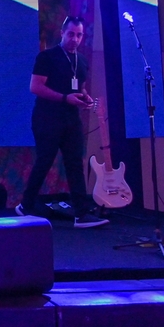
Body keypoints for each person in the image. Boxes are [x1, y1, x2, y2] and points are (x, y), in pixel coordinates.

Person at [16, 16, 109, 228]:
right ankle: (25, 206)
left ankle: (81, 214)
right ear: (62, 33)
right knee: (44, 161)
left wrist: (84, 97)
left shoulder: (81, 60)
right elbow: (35, 87)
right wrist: (65, 98)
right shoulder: (47, 57)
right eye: (71, 34)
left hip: (71, 118)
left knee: (75, 163)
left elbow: (79, 87)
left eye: (79, 35)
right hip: (47, 117)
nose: (75, 39)